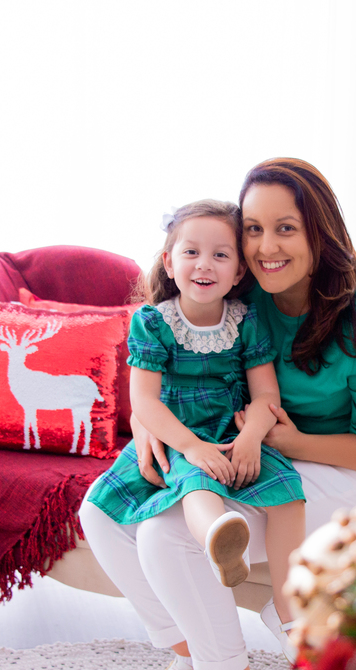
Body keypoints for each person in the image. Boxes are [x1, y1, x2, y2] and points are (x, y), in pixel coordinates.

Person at [79, 158, 356, 670]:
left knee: (168, 534)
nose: (266, 247)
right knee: (104, 518)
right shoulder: (244, 304)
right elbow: (174, 369)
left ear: (320, 235)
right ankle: (192, 660)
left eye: (285, 229)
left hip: (355, 476)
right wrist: (162, 438)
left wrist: (287, 441)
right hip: (252, 456)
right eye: (255, 230)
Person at [85, 199, 306, 594]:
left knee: (289, 490)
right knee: (195, 484)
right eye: (191, 252)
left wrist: (252, 438)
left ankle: (295, 603)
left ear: (239, 271)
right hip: (178, 435)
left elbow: (266, 392)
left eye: (220, 255)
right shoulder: (153, 323)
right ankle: (219, 538)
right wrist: (191, 447)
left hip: (230, 429)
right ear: (169, 263)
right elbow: (146, 403)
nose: (204, 264)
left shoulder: (246, 320)